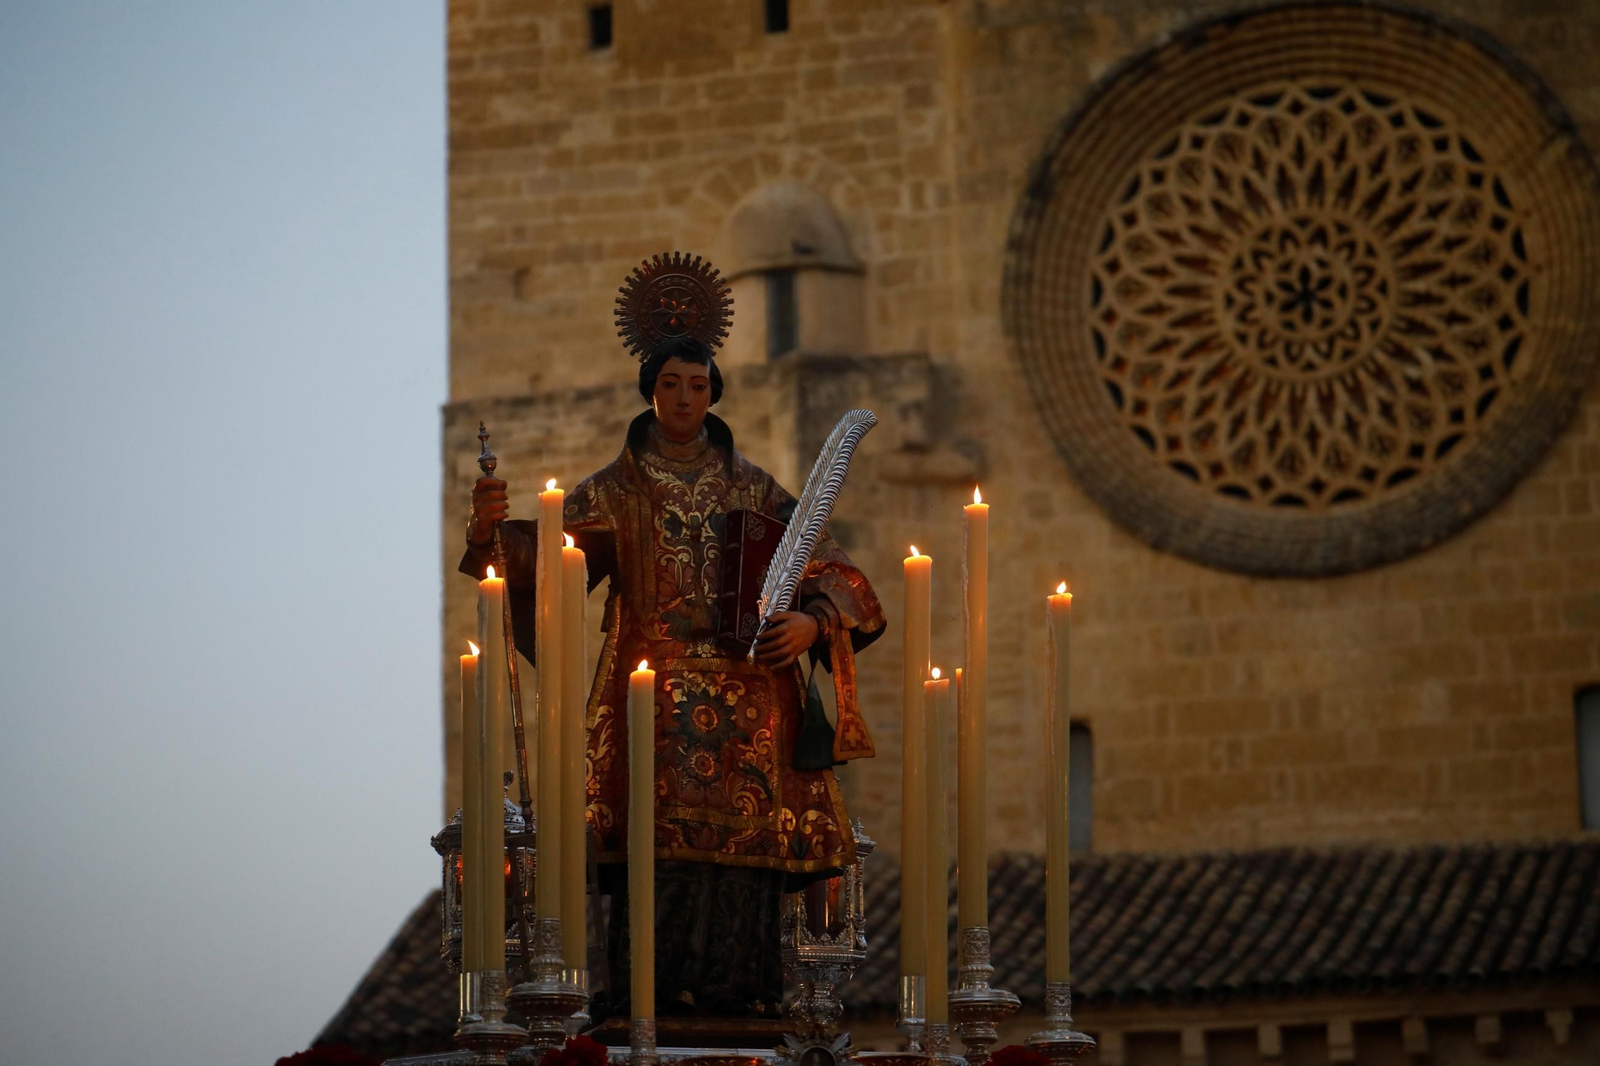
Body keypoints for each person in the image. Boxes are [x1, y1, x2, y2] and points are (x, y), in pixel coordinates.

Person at [460, 263, 884, 1018]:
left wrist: (812, 621)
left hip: (751, 710)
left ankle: (743, 992)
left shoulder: (753, 488)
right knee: (657, 859)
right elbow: (545, 557)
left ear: (714, 392)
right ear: (651, 392)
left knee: (744, 864)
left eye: (697, 385)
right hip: (647, 706)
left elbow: (837, 567)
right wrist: (493, 533)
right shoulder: (617, 491)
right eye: (671, 386)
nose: (684, 399)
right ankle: (648, 994)